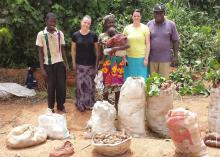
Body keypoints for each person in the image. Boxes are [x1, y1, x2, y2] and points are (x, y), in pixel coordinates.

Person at [36, 12, 69, 113]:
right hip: (48, 65)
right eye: (50, 21)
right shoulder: (41, 34)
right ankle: (50, 107)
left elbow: (63, 50)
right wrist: (42, 68)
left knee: (61, 87)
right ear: (46, 21)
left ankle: (60, 105)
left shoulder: (60, 33)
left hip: (59, 64)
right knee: (51, 87)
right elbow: (40, 53)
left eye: (54, 21)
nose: (52, 23)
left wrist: (66, 64)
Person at [99, 14, 128, 112]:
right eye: (108, 22)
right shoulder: (101, 36)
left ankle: (117, 106)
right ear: (105, 24)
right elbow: (100, 50)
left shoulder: (118, 34)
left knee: (118, 85)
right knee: (106, 84)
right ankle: (106, 106)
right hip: (106, 63)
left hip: (118, 62)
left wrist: (116, 49)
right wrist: (99, 62)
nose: (111, 24)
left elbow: (126, 46)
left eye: (112, 22)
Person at [71, 15, 99, 112]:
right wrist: (73, 63)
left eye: (88, 23)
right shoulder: (75, 35)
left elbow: (97, 51)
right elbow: (73, 50)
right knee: (80, 85)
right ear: (81, 22)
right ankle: (80, 104)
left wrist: (96, 64)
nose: (86, 25)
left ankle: (89, 103)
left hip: (91, 64)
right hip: (80, 65)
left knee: (90, 85)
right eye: (85, 22)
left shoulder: (93, 35)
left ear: (90, 24)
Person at [147, 4, 180, 78]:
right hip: (152, 59)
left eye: (160, 13)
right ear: (153, 14)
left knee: (164, 83)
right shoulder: (149, 24)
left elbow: (176, 41)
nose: (158, 14)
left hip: (165, 60)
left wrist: (175, 57)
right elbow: (146, 41)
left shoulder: (171, 24)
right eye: (156, 13)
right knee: (152, 82)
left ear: (164, 13)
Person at [123, 9, 150, 80]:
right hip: (129, 59)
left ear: (141, 17)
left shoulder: (145, 28)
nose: (136, 17)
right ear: (132, 17)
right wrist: (124, 58)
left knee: (142, 80)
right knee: (130, 80)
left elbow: (148, 44)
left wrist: (146, 59)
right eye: (134, 16)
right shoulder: (127, 28)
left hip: (141, 59)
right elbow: (123, 44)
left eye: (138, 16)